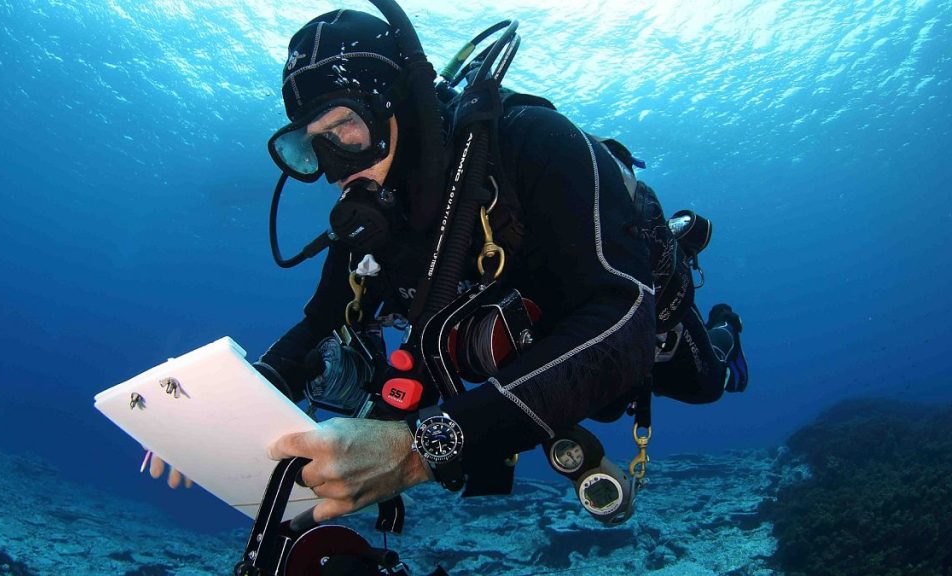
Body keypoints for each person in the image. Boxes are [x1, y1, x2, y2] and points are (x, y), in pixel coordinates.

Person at [149, 9, 749, 527]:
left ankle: (723, 330)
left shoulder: (532, 143)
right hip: (521, 365)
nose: (334, 167)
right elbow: (322, 323)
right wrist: (225, 413)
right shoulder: (371, 211)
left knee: (704, 386)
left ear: (399, 104)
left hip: (634, 327)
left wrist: (416, 451)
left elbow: (623, 319)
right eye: (311, 146)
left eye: (346, 128)